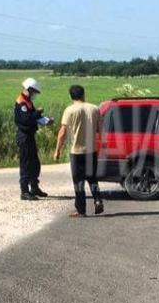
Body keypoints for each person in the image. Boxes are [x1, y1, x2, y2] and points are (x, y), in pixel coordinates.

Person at [53, 84, 104, 217]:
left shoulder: (69, 110)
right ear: (83, 94)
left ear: (71, 96)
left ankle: (81, 210)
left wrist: (57, 150)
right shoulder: (94, 109)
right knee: (92, 178)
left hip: (77, 151)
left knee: (78, 181)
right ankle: (98, 199)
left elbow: (62, 132)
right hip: (91, 150)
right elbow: (100, 129)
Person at [15, 77, 51, 200]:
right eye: (34, 92)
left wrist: (46, 121)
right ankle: (24, 191)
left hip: (30, 135)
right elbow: (27, 119)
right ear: (29, 90)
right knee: (25, 163)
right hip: (24, 136)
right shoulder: (21, 103)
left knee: (34, 163)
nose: (35, 95)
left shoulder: (28, 102)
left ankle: (34, 187)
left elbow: (35, 117)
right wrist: (38, 113)